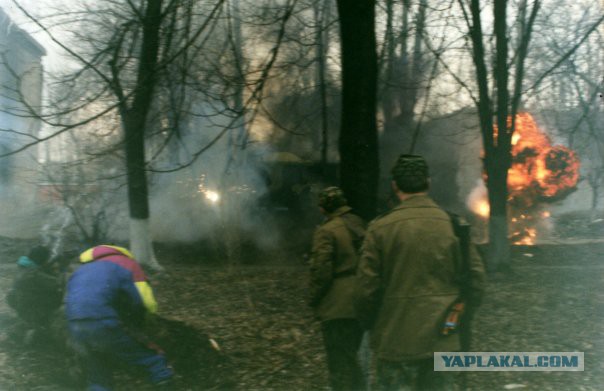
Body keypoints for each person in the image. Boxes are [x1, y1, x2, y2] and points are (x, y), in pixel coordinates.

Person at [355, 155, 486, 391]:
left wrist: (373, 325)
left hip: (396, 342)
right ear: (428, 182)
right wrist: (458, 317)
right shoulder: (454, 225)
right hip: (444, 341)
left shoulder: (380, 228)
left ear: (395, 185)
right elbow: (476, 281)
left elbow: (366, 290)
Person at [65, 245, 173, 390]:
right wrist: (145, 320)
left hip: (75, 325)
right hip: (103, 321)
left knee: (98, 371)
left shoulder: (81, 270)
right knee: (152, 359)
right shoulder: (127, 263)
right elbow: (144, 301)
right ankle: (164, 380)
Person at [309, 186, 366, 391]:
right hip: (360, 299)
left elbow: (321, 271)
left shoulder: (326, 231)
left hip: (337, 305)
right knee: (353, 356)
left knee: (339, 363)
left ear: (324, 208)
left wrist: (314, 298)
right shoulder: (359, 224)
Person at [6, 245, 64, 344]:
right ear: (41, 259)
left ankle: (27, 326)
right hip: (33, 309)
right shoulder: (34, 274)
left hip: (21, 305)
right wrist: (62, 270)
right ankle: (33, 331)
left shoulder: (23, 268)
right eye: (47, 258)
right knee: (60, 297)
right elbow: (57, 284)